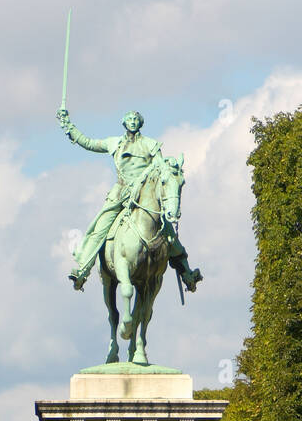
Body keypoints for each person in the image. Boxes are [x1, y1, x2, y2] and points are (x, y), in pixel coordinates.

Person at [56, 107, 202, 292]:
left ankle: (187, 273)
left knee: (168, 232)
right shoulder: (114, 143)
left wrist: (170, 165)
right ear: (124, 123)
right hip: (121, 192)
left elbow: (160, 167)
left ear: (140, 123)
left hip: (144, 192)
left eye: (136, 119)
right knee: (100, 227)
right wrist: (69, 126)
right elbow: (89, 143)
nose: (133, 121)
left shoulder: (151, 144)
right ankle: (83, 270)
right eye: (129, 119)